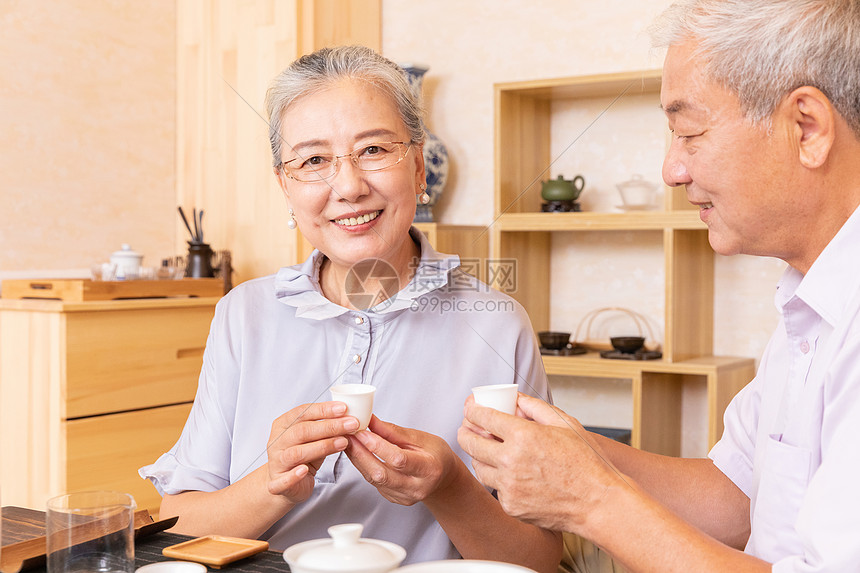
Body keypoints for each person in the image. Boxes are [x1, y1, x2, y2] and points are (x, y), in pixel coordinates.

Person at [458, 1, 860, 571]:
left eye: (689, 133)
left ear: (806, 128)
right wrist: (575, 451)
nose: (672, 171)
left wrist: (588, 499)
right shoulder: (809, 299)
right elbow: (735, 497)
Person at [140, 45, 560, 570]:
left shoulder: (496, 323)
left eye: (374, 150)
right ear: (285, 186)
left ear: (418, 164)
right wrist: (274, 484)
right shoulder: (242, 313)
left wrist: (450, 486)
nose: (349, 187)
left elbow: (540, 560)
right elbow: (182, 526)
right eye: (314, 160)